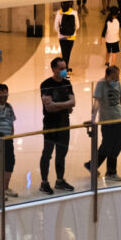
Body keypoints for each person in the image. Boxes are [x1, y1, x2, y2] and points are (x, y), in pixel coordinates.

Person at [40, 57, 76, 195]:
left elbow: (73, 103)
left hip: (64, 124)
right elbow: (49, 108)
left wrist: (57, 105)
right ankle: (44, 182)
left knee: (61, 154)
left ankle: (60, 180)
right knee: (47, 154)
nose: (64, 71)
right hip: (50, 125)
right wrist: (65, 105)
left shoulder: (67, 83)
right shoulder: (46, 85)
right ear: (54, 69)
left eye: (65, 68)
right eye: (61, 69)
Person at [87, 65, 121, 183]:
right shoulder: (101, 84)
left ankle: (99, 168)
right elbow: (96, 103)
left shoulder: (117, 84)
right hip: (107, 121)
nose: (117, 79)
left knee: (117, 146)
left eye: (118, 76)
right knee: (107, 146)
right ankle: (107, 170)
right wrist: (93, 119)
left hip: (119, 119)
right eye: (115, 76)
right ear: (108, 75)